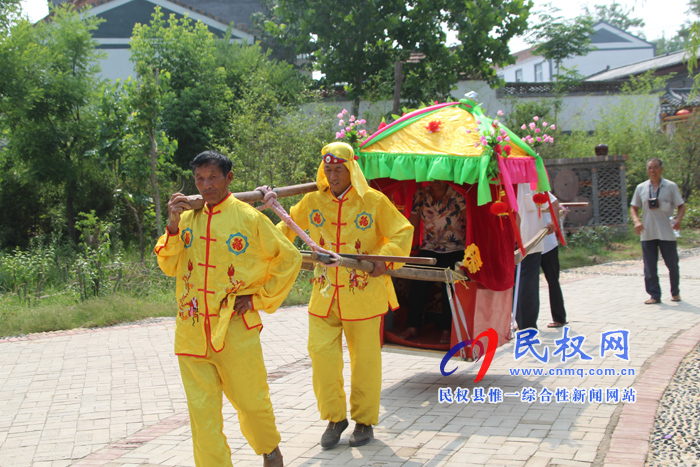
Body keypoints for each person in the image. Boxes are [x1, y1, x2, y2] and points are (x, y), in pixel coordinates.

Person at [154, 150, 302, 467]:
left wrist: (259, 297)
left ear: (229, 178)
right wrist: (173, 226)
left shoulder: (249, 219)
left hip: (235, 328)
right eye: (199, 179)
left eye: (213, 177)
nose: (206, 185)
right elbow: (168, 264)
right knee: (202, 414)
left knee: (251, 402)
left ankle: (269, 449)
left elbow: (290, 258)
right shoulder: (186, 219)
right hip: (192, 331)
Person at [278, 142, 413, 449]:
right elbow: (283, 231)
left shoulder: (373, 201)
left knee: (365, 361)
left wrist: (383, 257)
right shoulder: (311, 201)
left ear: (351, 169)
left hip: (363, 295)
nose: (333, 175)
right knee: (321, 358)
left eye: (339, 169)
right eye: (328, 169)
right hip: (324, 294)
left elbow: (402, 231)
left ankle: (364, 422)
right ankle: (335, 417)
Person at [400, 180, 467, 344]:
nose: (435, 181)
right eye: (433, 176)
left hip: (456, 248)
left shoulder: (457, 195)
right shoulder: (421, 194)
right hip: (429, 248)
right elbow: (412, 223)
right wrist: (399, 243)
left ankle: (447, 329)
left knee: (448, 286)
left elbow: (469, 221)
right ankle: (412, 326)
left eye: (440, 177)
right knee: (417, 283)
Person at [630, 158, 686, 304]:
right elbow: (633, 208)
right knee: (649, 266)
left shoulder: (670, 186)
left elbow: (681, 205)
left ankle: (675, 292)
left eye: (655, 167)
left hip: (667, 232)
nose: (652, 170)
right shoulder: (641, 187)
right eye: (649, 168)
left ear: (661, 169)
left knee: (672, 264)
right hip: (647, 232)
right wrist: (636, 221)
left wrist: (678, 220)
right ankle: (654, 295)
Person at [515, 184, 556, 330]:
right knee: (515, 284)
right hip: (512, 244)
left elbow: (553, 203)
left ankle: (528, 325)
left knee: (528, 286)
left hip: (532, 243)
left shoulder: (532, 185)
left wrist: (553, 222)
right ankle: (519, 322)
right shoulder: (501, 184)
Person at [540, 201, 568, 328]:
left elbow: (555, 203)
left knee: (553, 280)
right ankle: (524, 321)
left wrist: (554, 223)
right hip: (528, 246)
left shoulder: (540, 190)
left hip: (548, 244)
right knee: (527, 284)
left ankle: (559, 318)